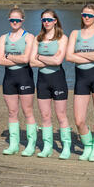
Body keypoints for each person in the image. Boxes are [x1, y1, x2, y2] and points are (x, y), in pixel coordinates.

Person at [65, 4, 94, 162]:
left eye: (90, 15)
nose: (87, 18)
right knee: (79, 120)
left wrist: (80, 54)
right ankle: (88, 145)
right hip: (81, 79)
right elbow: (68, 57)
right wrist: (91, 54)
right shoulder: (75, 33)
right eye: (84, 15)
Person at [29, 9, 71, 159]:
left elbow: (58, 61)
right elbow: (31, 62)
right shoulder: (38, 38)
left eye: (49, 19)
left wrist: (40, 56)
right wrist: (48, 59)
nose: (46, 22)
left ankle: (66, 147)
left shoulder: (62, 38)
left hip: (58, 79)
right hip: (42, 81)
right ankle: (47, 146)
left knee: (61, 115)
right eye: (43, 20)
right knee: (45, 115)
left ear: (55, 21)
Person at [0, 6, 36, 155]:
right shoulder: (3, 38)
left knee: (28, 111)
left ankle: (31, 145)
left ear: (22, 20)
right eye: (12, 20)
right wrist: (16, 59)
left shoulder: (29, 37)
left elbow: (26, 59)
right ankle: (13, 145)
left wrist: (8, 56)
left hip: (25, 77)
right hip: (9, 79)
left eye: (17, 20)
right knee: (12, 112)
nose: (15, 22)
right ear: (9, 20)